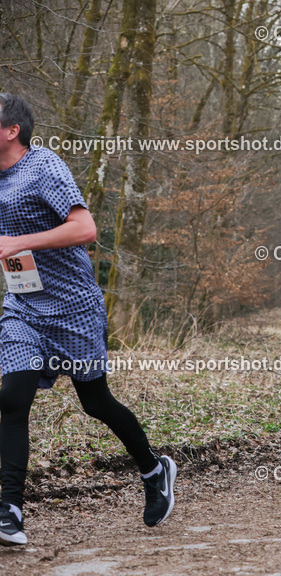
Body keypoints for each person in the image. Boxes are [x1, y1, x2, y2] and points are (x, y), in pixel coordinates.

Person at [0, 92, 175, 546]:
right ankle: (10, 512)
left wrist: (19, 242)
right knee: (12, 401)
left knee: (96, 403)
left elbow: (86, 229)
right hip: (23, 307)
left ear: (12, 131)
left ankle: (154, 470)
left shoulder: (44, 166)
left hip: (73, 307)